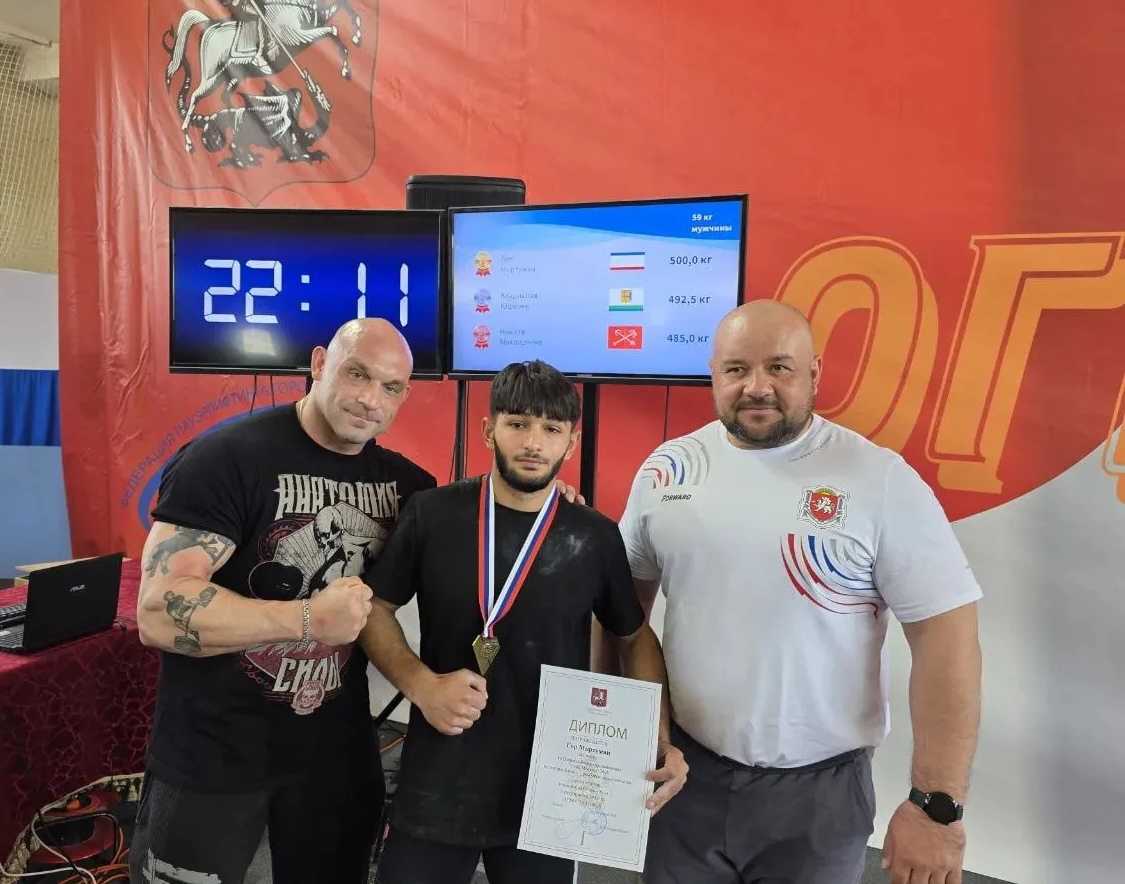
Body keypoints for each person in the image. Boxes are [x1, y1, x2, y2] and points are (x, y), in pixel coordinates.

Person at [616, 299, 983, 884]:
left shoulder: (879, 479)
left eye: (779, 367)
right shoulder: (667, 470)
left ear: (815, 373)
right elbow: (621, 619)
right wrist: (630, 736)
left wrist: (936, 805)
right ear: (713, 374)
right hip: (685, 779)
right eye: (737, 369)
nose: (757, 387)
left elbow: (947, 638)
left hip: (818, 798)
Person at [128, 319, 437, 884]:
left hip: (336, 759)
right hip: (214, 753)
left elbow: (476, 542)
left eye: (390, 387)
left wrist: (550, 503)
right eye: (357, 374)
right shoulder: (226, 458)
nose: (371, 400)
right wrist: (307, 618)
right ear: (319, 364)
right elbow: (158, 611)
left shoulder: (408, 486)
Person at [361, 360, 689, 884]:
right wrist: (419, 684)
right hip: (438, 779)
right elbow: (373, 609)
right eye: (517, 424)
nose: (534, 442)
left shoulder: (594, 536)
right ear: (488, 429)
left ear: (571, 443)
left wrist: (656, 734)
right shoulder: (432, 514)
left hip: (553, 785)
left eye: (551, 429)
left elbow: (633, 635)